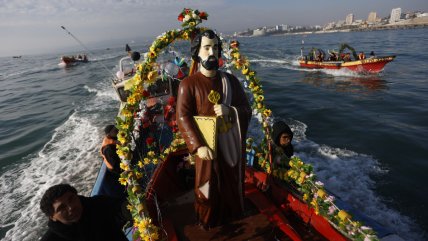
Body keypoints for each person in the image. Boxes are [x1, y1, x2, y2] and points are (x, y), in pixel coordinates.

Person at [176, 30, 251, 229]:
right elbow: (182, 118)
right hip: (205, 145)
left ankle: (232, 215)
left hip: (228, 144)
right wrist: (197, 145)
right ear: (197, 52)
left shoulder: (230, 82)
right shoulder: (188, 84)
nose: (212, 52)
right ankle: (207, 221)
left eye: (215, 48)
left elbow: (246, 110)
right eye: (207, 47)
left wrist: (230, 111)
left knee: (230, 182)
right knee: (206, 187)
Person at [39, 183, 132, 241]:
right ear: (52, 217)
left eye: (71, 199)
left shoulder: (98, 204)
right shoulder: (51, 238)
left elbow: (121, 207)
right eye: (61, 208)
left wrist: (128, 211)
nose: (71, 207)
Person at [100, 124, 125, 197]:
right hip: (116, 170)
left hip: (119, 160)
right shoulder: (108, 149)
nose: (118, 131)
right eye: (115, 131)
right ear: (109, 134)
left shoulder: (113, 138)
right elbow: (116, 166)